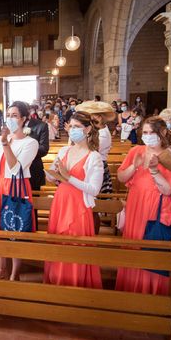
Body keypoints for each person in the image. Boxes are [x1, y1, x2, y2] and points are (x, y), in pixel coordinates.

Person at [115, 117, 171, 295]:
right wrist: (135, 166)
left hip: (158, 208)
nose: (147, 137)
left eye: (152, 133)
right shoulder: (137, 151)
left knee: (153, 248)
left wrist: (155, 171)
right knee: (135, 245)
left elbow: (169, 191)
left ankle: (154, 293)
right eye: (145, 133)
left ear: (163, 133)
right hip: (137, 204)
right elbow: (121, 177)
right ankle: (132, 289)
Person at [44, 111, 104, 288]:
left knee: (75, 245)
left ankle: (75, 284)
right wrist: (53, 175)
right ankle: (56, 281)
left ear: (87, 130)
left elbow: (94, 190)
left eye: (77, 127)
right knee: (58, 243)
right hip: (61, 202)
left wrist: (68, 177)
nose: (72, 130)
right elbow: (53, 177)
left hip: (78, 206)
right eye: (71, 126)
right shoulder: (64, 150)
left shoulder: (94, 156)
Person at [0, 101, 39, 281]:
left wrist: (5, 143)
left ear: (23, 119)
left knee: (15, 230)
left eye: (15, 115)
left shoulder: (31, 143)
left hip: (15, 186)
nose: (10, 118)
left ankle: (15, 273)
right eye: (9, 115)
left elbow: (16, 169)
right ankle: (1, 269)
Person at [76, 101, 115, 193]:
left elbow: (91, 150)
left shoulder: (103, 134)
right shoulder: (96, 130)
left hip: (97, 166)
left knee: (96, 198)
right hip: (89, 165)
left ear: (99, 117)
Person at [25, 110, 49, 191]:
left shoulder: (41, 125)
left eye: (15, 114)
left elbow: (44, 149)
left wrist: (25, 151)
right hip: (13, 174)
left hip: (33, 171)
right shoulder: (11, 127)